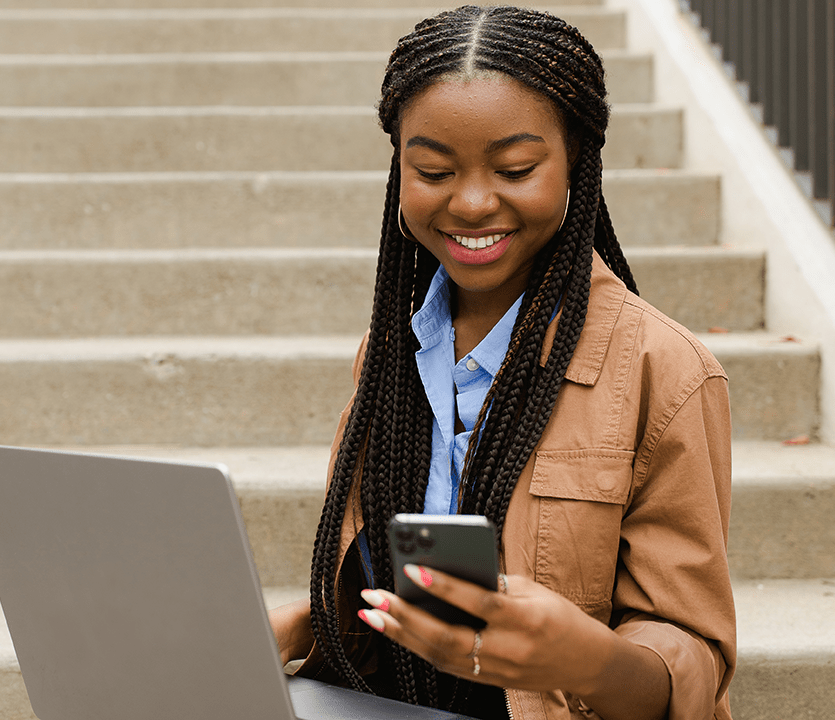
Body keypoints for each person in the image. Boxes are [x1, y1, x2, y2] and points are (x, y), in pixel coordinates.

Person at [269, 6, 735, 720]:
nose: (474, 201)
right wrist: (306, 622)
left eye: (516, 168)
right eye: (432, 170)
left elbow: (691, 666)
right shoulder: (391, 351)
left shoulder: (663, 369)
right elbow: (390, 584)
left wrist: (587, 659)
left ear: (575, 157)